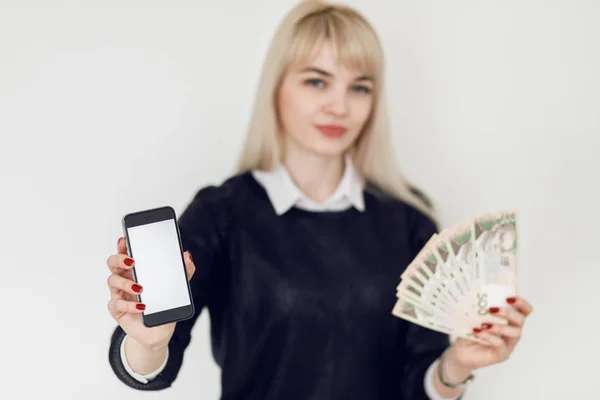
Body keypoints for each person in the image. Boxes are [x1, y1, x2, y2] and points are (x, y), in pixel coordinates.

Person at [105, 1, 533, 399]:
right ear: (277, 87)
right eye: (317, 81)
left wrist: (456, 365)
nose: (339, 106)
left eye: (359, 88)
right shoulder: (223, 214)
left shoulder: (408, 222)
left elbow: (418, 385)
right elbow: (155, 364)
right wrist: (149, 342)